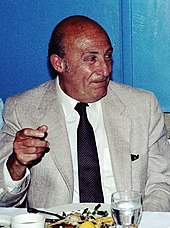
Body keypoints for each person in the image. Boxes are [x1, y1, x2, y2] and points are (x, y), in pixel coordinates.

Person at [0, 15, 170, 211]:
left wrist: (140, 223)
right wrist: (17, 163)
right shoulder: (22, 109)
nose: (105, 69)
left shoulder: (142, 106)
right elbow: (4, 199)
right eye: (91, 59)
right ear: (59, 64)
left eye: (107, 56)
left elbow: (162, 184)